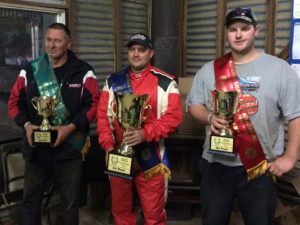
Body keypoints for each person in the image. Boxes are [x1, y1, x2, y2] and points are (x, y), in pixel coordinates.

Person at [187, 7, 300, 225]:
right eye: (233, 29)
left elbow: (295, 115)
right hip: (215, 165)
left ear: (255, 31)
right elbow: (194, 105)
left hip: (260, 167)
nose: (238, 35)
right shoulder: (209, 69)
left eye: (245, 29)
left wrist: (291, 157)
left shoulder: (279, 69)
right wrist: (210, 117)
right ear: (226, 33)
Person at [8, 23, 99, 225]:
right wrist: (27, 125)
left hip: (69, 150)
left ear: (68, 44)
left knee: (69, 204)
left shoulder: (83, 72)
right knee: (30, 201)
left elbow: (93, 105)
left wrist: (70, 127)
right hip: (36, 150)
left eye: (57, 40)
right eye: (48, 40)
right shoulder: (30, 70)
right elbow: (14, 103)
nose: (52, 45)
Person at [97, 32, 182, 225]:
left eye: (141, 50)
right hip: (119, 156)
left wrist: (146, 133)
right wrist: (108, 146)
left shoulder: (166, 82)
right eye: (132, 49)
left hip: (151, 159)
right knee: (121, 212)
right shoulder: (112, 82)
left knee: (154, 215)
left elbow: (174, 118)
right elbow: (103, 117)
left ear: (150, 53)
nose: (136, 54)